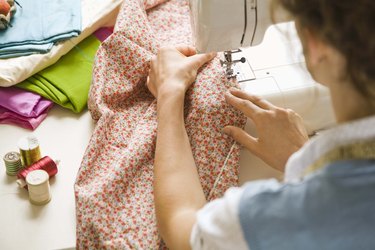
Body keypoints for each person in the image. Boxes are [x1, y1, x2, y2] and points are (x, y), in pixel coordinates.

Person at [146, 0, 375, 249]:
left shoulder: (279, 217)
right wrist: (302, 157)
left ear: (316, 43)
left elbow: (183, 229)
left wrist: (169, 92)